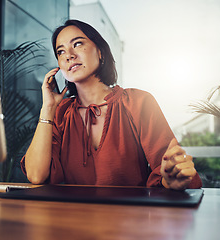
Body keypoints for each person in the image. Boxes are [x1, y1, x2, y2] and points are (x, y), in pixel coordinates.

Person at [21, 19, 202, 190]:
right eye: (60, 51)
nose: (69, 55)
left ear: (100, 52)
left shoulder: (139, 103)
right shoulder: (61, 113)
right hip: (73, 217)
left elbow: (170, 168)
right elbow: (36, 175)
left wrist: (171, 178)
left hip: (130, 219)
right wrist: (48, 108)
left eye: (77, 44)